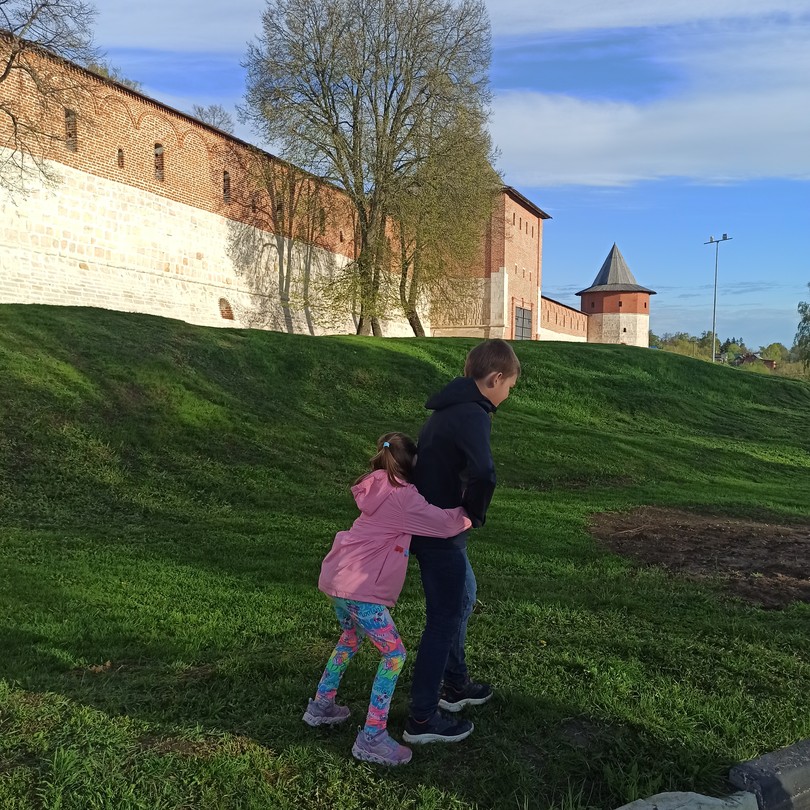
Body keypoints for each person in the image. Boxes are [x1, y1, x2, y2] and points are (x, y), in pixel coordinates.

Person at [303, 432, 472, 766]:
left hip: (335, 579)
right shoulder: (403, 497)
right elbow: (442, 524)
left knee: (350, 638)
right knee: (394, 655)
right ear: (412, 465)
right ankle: (372, 737)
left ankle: (322, 705)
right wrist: (471, 511)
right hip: (358, 588)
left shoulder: (375, 486)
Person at [403, 339, 520, 745]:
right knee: (444, 618)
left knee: (463, 598)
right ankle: (421, 718)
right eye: (510, 387)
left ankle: (455, 684)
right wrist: (474, 513)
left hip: (434, 527)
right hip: (441, 532)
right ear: (496, 378)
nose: (508, 395)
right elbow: (484, 472)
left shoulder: (447, 409)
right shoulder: (472, 413)